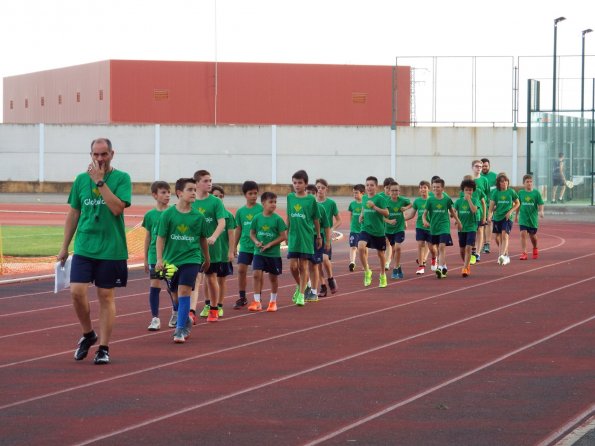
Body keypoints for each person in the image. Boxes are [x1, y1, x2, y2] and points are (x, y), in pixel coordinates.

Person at [57, 137, 131, 365]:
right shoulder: (80, 180)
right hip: (85, 246)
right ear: (90, 155)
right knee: (76, 291)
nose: (99, 159)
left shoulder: (122, 178)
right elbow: (74, 214)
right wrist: (64, 247)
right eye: (95, 155)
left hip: (111, 248)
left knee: (105, 296)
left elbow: (117, 208)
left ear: (112, 154)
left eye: (103, 154)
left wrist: (100, 182)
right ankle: (88, 334)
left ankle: (104, 347)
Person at [156, 178, 209, 343]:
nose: (194, 192)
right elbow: (160, 238)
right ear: (179, 193)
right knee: (175, 295)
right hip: (171, 261)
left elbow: (202, 239)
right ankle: (184, 318)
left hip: (191, 259)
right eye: (190, 189)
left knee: (185, 291)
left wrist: (207, 258)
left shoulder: (198, 217)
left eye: (195, 189)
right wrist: (159, 259)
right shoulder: (168, 215)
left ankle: (179, 330)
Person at [191, 170, 227, 323]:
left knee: (212, 278)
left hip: (212, 249)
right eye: (205, 180)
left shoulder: (215, 202)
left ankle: (214, 308)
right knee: (196, 279)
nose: (209, 183)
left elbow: (222, 222)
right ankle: (192, 310)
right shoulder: (192, 201)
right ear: (197, 183)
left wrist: (213, 236)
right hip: (193, 249)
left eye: (210, 180)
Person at [286, 170, 322, 306]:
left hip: (306, 237)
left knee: (303, 265)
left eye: (300, 183)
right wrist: (286, 233)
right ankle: (302, 285)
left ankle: (301, 295)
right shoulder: (290, 197)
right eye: (294, 183)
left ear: (306, 184)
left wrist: (318, 236)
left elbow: (316, 219)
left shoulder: (311, 199)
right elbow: (289, 216)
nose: (297, 185)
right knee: (293, 267)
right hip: (294, 237)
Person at [248, 192, 288, 312]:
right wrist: (256, 241)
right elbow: (252, 233)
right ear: (263, 203)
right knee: (256, 274)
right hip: (259, 252)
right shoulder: (257, 218)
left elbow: (283, 236)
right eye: (271, 202)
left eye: (275, 202)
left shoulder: (278, 219)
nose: (273, 204)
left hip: (273, 254)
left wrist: (270, 244)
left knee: (273, 278)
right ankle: (256, 301)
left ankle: (273, 301)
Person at [142, 181, 171, 331]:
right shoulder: (150, 215)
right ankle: (155, 318)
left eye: (168, 192)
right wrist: (146, 258)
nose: (167, 195)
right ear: (155, 195)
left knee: (173, 287)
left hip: (171, 256)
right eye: (163, 192)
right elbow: (148, 236)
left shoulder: (173, 212)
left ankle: (176, 312)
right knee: (154, 286)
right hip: (155, 256)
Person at [423, 177, 462, 279]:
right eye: (434, 187)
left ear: (442, 188)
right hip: (434, 227)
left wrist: (458, 222)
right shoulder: (430, 200)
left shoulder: (447, 199)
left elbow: (452, 212)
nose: (436, 189)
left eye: (438, 187)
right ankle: (444, 266)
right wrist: (424, 221)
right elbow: (424, 214)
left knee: (441, 247)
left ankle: (440, 268)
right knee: (438, 249)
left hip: (444, 226)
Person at [233, 180, 262, 309]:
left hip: (257, 246)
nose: (254, 196)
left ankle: (257, 297)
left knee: (257, 273)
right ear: (245, 195)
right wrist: (234, 246)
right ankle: (242, 296)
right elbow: (238, 228)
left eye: (255, 193)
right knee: (241, 270)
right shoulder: (240, 211)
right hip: (245, 245)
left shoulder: (261, 209)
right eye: (251, 193)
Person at [358, 176, 389, 287]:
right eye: (367, 185)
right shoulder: (364, 198)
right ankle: (367, 271)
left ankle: (382, 275)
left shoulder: (380, 199)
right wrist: (361, 216)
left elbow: (386, 213)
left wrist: (374, 207)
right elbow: (363, 208)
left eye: (371, 185)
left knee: (380, 254)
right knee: (360, 247)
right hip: (365, 228)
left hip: (378, 231)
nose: (369, 187)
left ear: (376, 187)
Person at [210, 185, 236, 318]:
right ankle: (208, 304)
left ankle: (219, 305)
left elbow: (231, 235)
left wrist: (231, 251)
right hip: (210, 253)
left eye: (221, 196)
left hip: (223, 252)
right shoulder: (208, 213)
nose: (218, 198)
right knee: (209, 279)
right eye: (215, 196)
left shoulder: (228, 215)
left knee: (221, 280)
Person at [315, 178, 341, 296]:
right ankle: (323, 286)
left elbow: (339, 220)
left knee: (325, 259)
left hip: (326, 236)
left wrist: (332, 228)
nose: (320, 190)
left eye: (322, 188)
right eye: (318, 187)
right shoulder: (312, 203)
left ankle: (330, 279)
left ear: (326, 189)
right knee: (317, 263)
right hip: (314, 236)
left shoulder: (331, 203)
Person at [305, 184, 331, 302]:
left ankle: (314, 292)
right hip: (304, 239)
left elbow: (326, 226)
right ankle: (307, 286)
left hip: (316, 239)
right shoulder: (300, 207)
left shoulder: (321, 208)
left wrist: (327, 241)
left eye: (312, 193)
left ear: (316, 195)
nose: (310, 195)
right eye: (308, 193)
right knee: (300, 266)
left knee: (313, 265)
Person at [488, 173, 520, 266]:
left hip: (507, 217)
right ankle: (505, 254)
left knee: (504, 235)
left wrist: (510, 211)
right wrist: (489, 216)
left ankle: (501, 256)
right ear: (498, 183)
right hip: (497, 217)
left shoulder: (511, 192)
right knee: (497, 238)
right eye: (502, 181)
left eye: (505, 181)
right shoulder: (495, 193)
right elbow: (491, 207)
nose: (504, 183)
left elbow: (517, 203)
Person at [406, 180, 436, 275]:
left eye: (425, 187)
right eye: (421, 188)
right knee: (420, 244)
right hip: (420, 226)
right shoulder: (417, 201)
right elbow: (412, 214)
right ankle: (421, 265)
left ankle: (434, 258)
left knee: (431, 247)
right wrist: (402, 218)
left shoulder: (432, 200)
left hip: (431, 227)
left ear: (428, 189)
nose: (422, 189)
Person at [384, 181, 411, 279]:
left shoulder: (403, 200)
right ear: (389, 191)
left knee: (398, 247)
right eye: (392, 190)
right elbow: (380, 216)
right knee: (394, 250)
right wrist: (389, 221)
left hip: (399, 228)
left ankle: (395, 269)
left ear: (399, 191)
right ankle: (398, 266)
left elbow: (411, 204)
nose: (395, 193)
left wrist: (405, 208)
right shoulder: (385, 201)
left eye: (396, 191)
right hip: (389, 230)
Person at [514, 174, 545, 260]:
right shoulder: (520, 193)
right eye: (527, 182)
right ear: (524, 183)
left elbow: (541, 203)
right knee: (523, 234)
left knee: (533, 236)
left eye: (531, 182)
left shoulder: (536, 193)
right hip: (523, 218)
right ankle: (524, 253)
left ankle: (535, 247)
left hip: (533, 218)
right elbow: (518, 205)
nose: (529, 183)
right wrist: (516, 216)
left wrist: (541, 211)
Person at [454, 178, 479, 277]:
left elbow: (474, 210)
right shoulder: (458, 202)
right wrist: (456, 220)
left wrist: (469, 200)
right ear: (463, 191)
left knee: (469, 247)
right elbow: (454, 212)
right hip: (461, 228)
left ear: (473, 191)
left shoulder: (474, 200)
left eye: (470, 190)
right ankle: (466, 263)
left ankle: (465, 267)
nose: (468, 191)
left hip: (471, 227)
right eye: (466, 190)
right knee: (462, 250)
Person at [470, 160, 489, 263]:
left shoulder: (484, 180)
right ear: (472, 167)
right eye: (477, 166)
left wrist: (486, 213)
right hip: (470, 210)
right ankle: (472, 250)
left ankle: (477, 253)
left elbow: (487, 195)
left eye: (481, 167)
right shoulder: (469, 179)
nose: (479, 168)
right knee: (472, 231)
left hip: (481, 209)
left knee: (480, 230)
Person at [480, 158, 497, 254]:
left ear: (489, 166)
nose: (484, 168)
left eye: (486, 166)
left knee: (489, 222)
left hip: (491, 203)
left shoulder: (495, 176)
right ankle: (481, 244)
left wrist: (496, 203)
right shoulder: (478, 177)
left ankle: (487, 244)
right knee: (481, 225)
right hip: (481, 204)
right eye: (482, 166)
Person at [347, 184, 365, 272]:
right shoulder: (352, 204)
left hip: (363, 230)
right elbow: (350, 214)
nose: (355, 195)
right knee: (353, 246)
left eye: (356, 193)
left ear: (362, 193)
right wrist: (351, 224)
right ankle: (352, 262)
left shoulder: (365, 203)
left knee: (363, 248)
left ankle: (364, 263)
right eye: (353, 193)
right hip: (354, 230)